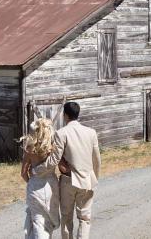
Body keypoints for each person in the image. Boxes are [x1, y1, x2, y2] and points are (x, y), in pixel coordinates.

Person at [32, 102, 101, 239]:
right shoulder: (91, 132)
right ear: (78, 114)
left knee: (66, 217)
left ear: (65, 115)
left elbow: (54, 160)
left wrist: (37, 170)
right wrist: (95, 178)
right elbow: (97, 160)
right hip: (87, 179)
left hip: (68, 181)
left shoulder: (61, 133)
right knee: (84, 218)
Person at [21, 118, 60, 239]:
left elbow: (23, 173)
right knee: (49, 220)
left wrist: (31, 181)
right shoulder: (52, 149)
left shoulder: (29, 149)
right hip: (50, 185)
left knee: (37, 221)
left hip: (35, 186)